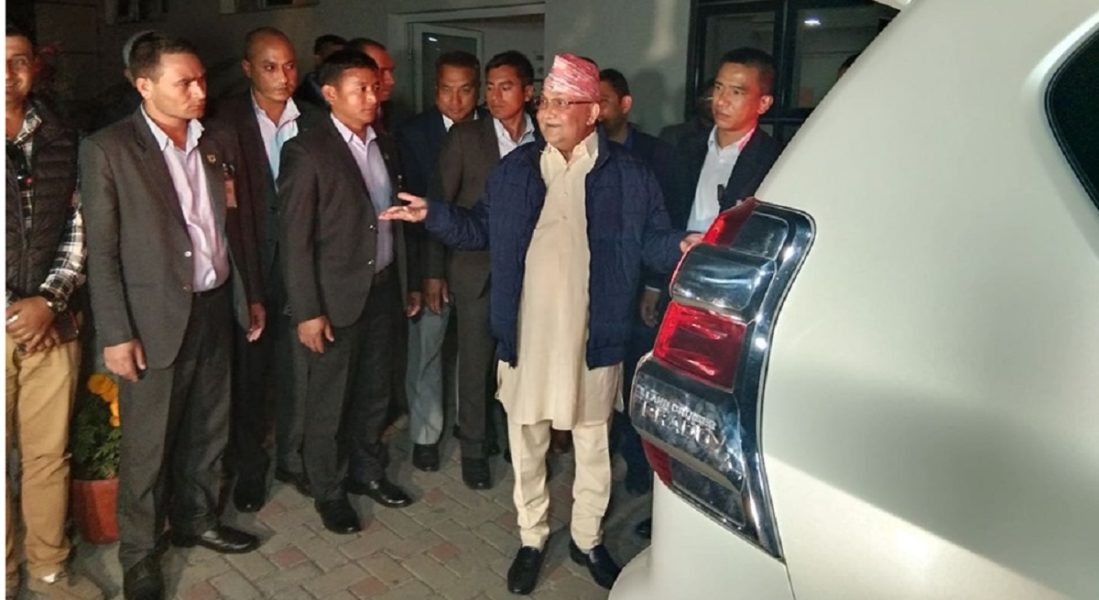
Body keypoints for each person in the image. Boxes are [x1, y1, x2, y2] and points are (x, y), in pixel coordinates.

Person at [381, 53, 700, 595]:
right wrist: (434, 214)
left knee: (592, 441)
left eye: (561, 102)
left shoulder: (629, 176)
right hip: (528, 334)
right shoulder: (515, 171)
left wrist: (681, 245)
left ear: (592, 111)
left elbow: (651, 240)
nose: (547, 112)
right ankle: (532, 537)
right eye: (545, 101)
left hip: (594, 336)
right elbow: (479, 228)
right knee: (527, 439)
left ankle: (587, 538)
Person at [81, 33, 264, 600]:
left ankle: (197, 518)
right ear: (144, 85)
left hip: (214, 305)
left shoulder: (215, 140)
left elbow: (231, 227)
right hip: (152, 319)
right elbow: (102, 253)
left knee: (210, 426)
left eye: (201, 79)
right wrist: (117, 333)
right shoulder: (110, 149)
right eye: (184, 82)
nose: (199, 90)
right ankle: (139, 555)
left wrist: (249, 295)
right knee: (148, 447)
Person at [632, 48, 782, 540]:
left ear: (762, 102)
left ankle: (702, 506)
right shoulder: (683, 146)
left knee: (710, 407)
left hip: (729, 300)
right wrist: (654, 282)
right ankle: (655, 492)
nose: (722, 100)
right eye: (718, 88)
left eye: (737, 91)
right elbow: (661, 219)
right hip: (675, 276)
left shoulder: (775, 161)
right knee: (665, 392)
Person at [278, 49, 421, 536]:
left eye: (374, 87)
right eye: (359, 88)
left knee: (375, 390)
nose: (371, 97)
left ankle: (368, 470)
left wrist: (407, 282)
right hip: (333, 298)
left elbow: (394, 218)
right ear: (330, 93)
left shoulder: (383, 142)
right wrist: (307, 311)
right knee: (329, 401)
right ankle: (329, 489)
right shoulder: (307, 150)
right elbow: (295, 240)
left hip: (381, 289)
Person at [5, 23, 105, 600]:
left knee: (47, 456)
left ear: (35, 66)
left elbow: (79, 221)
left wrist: (48, 300)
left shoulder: (62, 135)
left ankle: (48, 568)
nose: (8, 74)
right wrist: (11, 312)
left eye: (19, 60)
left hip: (53, 321)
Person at [207, 26, 323, 512]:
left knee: (299, 369)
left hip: (302, 264)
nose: (283, 76)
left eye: (290, 66)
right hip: (250, 264)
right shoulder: (224, 120)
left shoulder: (314, 119)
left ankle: (292, 459)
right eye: (270, 67)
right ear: (248, 69)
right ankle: (250, 468)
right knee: (250, 375)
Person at [424, 50, 539, 489]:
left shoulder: (544, 137)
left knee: (524, 362)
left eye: (505, 87)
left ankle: (518, 441)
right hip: (478, 269)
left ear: (528, 91)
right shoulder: (466, 137)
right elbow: (441, 203)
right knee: (474, 365)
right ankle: (473, 448)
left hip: (532, 272)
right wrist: (434, 272)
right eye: (489, 87)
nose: (494, 96)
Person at [395, 50, 484, 476]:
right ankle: (426, 435)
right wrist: (427, 273)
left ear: (477, 90)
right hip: (427, 258)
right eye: (447, 90)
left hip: (477, 262)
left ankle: (473, 427)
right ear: (435, 90)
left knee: (476, 352)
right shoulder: (412, 133)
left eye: (465, 90)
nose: (456, 99)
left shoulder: (491, 130)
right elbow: (411, 207)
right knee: (426, 351)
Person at [596, 67, 678, 499]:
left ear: (625, 105)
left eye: (604, 101)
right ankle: (600, 451)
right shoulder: (584, 153)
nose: (596, 110)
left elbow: (661, 226)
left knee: (635, 377)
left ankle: (638, 461)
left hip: (639, 287)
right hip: (597, 289)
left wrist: (654, 285)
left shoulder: (656, 156)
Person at [345, 38, 396, 132]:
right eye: (381, 72)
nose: (391, 81)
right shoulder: (322, 126)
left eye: (391, 71)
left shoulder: (398, 114)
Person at [658, 78, 715, 149]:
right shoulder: (672, 135)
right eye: (711, 99)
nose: (717, 105)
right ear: (700, 101)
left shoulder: (727, 137)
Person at [293, 34, 345, 108]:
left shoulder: (347, 93)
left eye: (343, 58)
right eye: (333, 58)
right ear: (318, 59)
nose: (340, 63)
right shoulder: (300, 97)